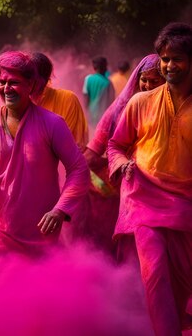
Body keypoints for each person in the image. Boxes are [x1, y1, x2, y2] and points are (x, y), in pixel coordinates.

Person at [0, 51, 89, 276]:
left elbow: (78, 169)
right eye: (3, 82)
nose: (6, 88)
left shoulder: (53, 124)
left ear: (31, 84)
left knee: (38, 301)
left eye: (14, 82)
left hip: (41, 234)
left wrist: (60, 210)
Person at [107, 22, 192, 335]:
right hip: (143, 199)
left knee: (183, 283)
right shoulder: (141, 103)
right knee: (154, 274)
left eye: (177, 59)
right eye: (165, 59)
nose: (169, 65)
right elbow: (115, 144)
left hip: (186, 206)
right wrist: (121, 163)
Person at [82, 54, 166, 253]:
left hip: (154, 193)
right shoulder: (121, 109)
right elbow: (93, 151)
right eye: (144, 80)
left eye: (155, 81)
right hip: (118, 187)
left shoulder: (170, 111)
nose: (147, 85)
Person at [31, 52, 88, 149]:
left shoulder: (67, 99)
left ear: (45, 79)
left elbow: (72, 145)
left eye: (30, 76)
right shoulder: (17, 104)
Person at [83, 56, 115, 129]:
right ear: (105, 67)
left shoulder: (88, 79)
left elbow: (86, 98)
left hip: (91, 114)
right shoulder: (109, 83)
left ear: (94, 67)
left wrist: (86, 112)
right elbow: (112, 101)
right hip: (104, 116)